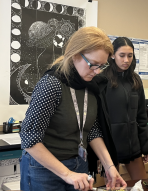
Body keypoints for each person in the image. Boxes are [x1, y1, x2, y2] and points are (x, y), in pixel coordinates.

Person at [19, 26, 127, 191]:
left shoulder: (91, 86)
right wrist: (67, 174)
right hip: (44, 170)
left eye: (102, 66)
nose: (97, 71)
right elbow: (29, 138)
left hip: (78, 165)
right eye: (93, 64)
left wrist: (109, 166)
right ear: (75, 55)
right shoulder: (52, 84)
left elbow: (92, 130)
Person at [101, 37, 148, 180]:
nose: (126, 60)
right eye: (121, 55)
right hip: (110, 150)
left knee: (142, 186)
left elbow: (141, 116)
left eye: (130, 56)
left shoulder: (135, 80)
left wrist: (145, 146)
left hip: (133, 147)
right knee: (113, 188)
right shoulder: (102, 80)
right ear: (112, 55)